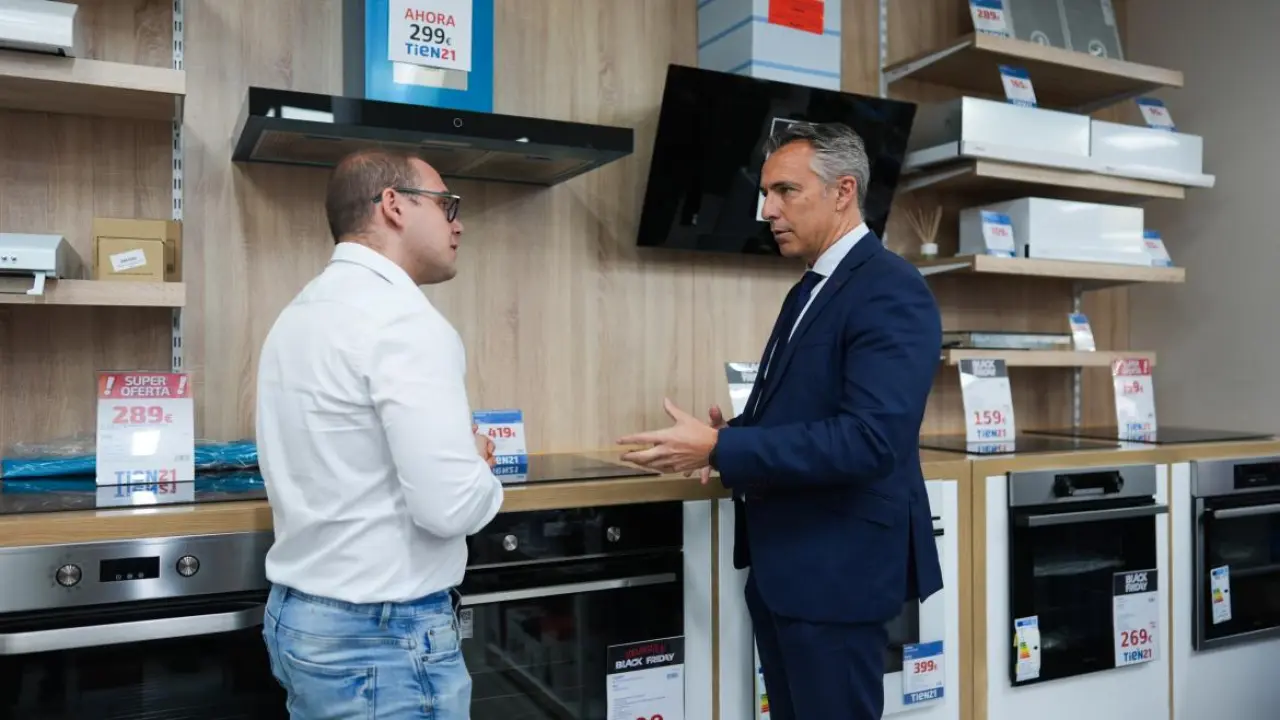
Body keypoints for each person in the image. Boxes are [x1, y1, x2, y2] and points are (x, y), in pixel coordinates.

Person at [617, 121, 943, 719]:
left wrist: (721, 451)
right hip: (788, 572)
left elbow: (870, 439)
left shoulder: (891, 288)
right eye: (766, 193)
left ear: (843, 191)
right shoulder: (810, 287)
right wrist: (732, 435)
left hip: (836, 576)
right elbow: (812, 409)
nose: (767, 210)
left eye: (785, 191)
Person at [255, 149, 504, 719]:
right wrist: (479, 465)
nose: (459, 224)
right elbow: (450, 508)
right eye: (446, 205)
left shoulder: (299, 312)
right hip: (383, 640)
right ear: (393, 205)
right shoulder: (404, 321)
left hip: (302, 621)